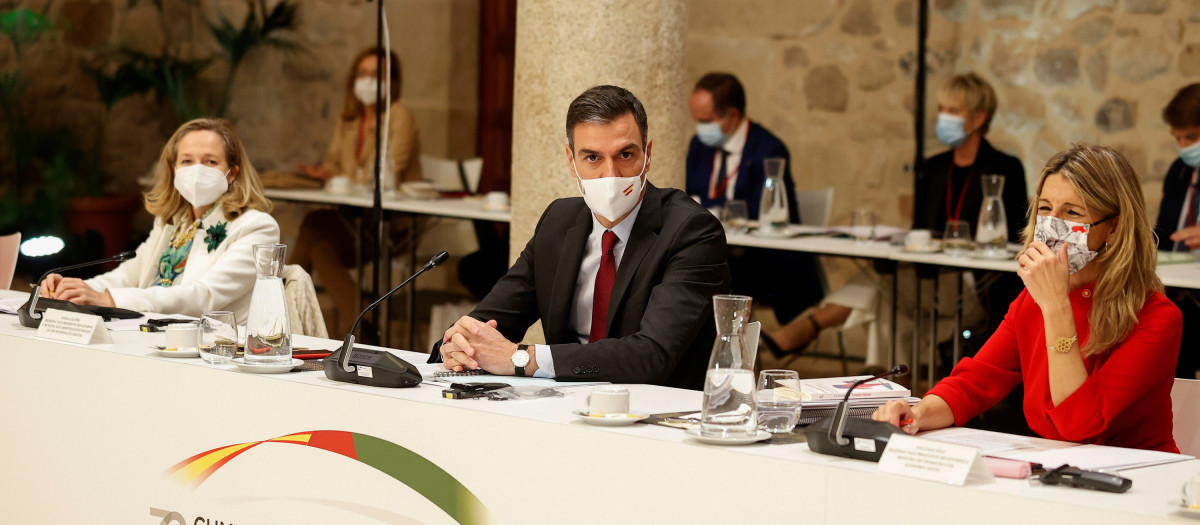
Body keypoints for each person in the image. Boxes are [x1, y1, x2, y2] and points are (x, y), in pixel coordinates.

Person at [874, 145, 1182, 453]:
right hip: (1060, 467)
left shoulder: (1156, 316)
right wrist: (918, 413)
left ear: (1113, 228)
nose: (1051, 224)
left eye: (1072, 212)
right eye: (1045, 209)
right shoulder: (1033, 298)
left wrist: (1056, 306)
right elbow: (975, 382)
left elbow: (1079, 425)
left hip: (1137, 478)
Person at [429, 85, 731, 389]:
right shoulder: (559, 222)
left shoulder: (692, 231)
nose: (610, 174)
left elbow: (651, 356)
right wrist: (460, 345)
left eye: (625, 154)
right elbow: (489, 321)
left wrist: (522, 359)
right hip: (565, 408)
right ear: (571, 161)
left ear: (647, 154)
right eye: (592, 158)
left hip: (656, 415)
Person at [764, 73, 1027, 369]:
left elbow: (1014, 236)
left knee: (882, 282)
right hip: (926, 279)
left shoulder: (1004, 168)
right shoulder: (934, 167)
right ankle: (892, 390)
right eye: (941, 110)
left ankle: (813, 326)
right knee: (885, 301)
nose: (943, 118)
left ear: (979, 118)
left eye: (953, 111)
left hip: (974, 287)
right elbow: (920, 230)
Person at [40, 118, 279, 324]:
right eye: (187, 161)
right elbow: (128, 276)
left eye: (210, 161)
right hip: (151, 333)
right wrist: (71, 289)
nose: (197, 171)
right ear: (174, 169)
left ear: (233, 172)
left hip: (214, 350)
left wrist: (109, 299)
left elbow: (204, 297)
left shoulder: (257, 227)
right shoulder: (172, 223)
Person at [289, 47, 423, 334]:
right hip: (354, 219)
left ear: (392, 81)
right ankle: (362, 321)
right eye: (362, 73)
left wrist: (340, 175)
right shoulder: (348, 118)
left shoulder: (399, 117)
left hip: (392, 226)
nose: (368, 81)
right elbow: (331, 164)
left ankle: (276, 307)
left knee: (314, 225)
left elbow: (388, 172)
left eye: (377, 74)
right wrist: (328, 174)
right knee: (319, 244)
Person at [685, 72, 822, 341]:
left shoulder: (769, 149)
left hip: (757, 260)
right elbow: (688, 198)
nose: (700, 129)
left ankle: (724, 353)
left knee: (706, 277)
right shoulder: (699, 145)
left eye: (706, 121)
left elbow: (759, 211)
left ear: (732, 115)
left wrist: (711, 209)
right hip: (713, 251)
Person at [1154, 83, 1200, 379]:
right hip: (1179, 295)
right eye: (1178, 138)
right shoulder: (1180, 170)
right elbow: (1164, 233)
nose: (1183, 146)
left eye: (1192, 137)